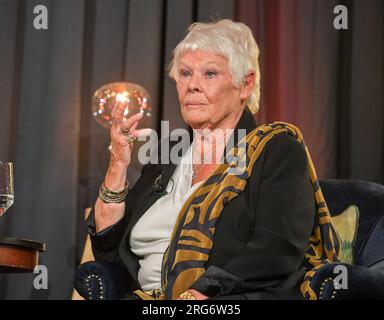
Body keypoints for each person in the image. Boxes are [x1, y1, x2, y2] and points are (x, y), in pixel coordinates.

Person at [85, 19, 339, 300]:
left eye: (209, 73)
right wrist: (118, 166)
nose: (192, 85)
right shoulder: (166, 155)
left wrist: (200, 293)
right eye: (184, 73)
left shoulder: (275, 149)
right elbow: (108, 249)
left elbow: (277, 248)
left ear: (245, 84)